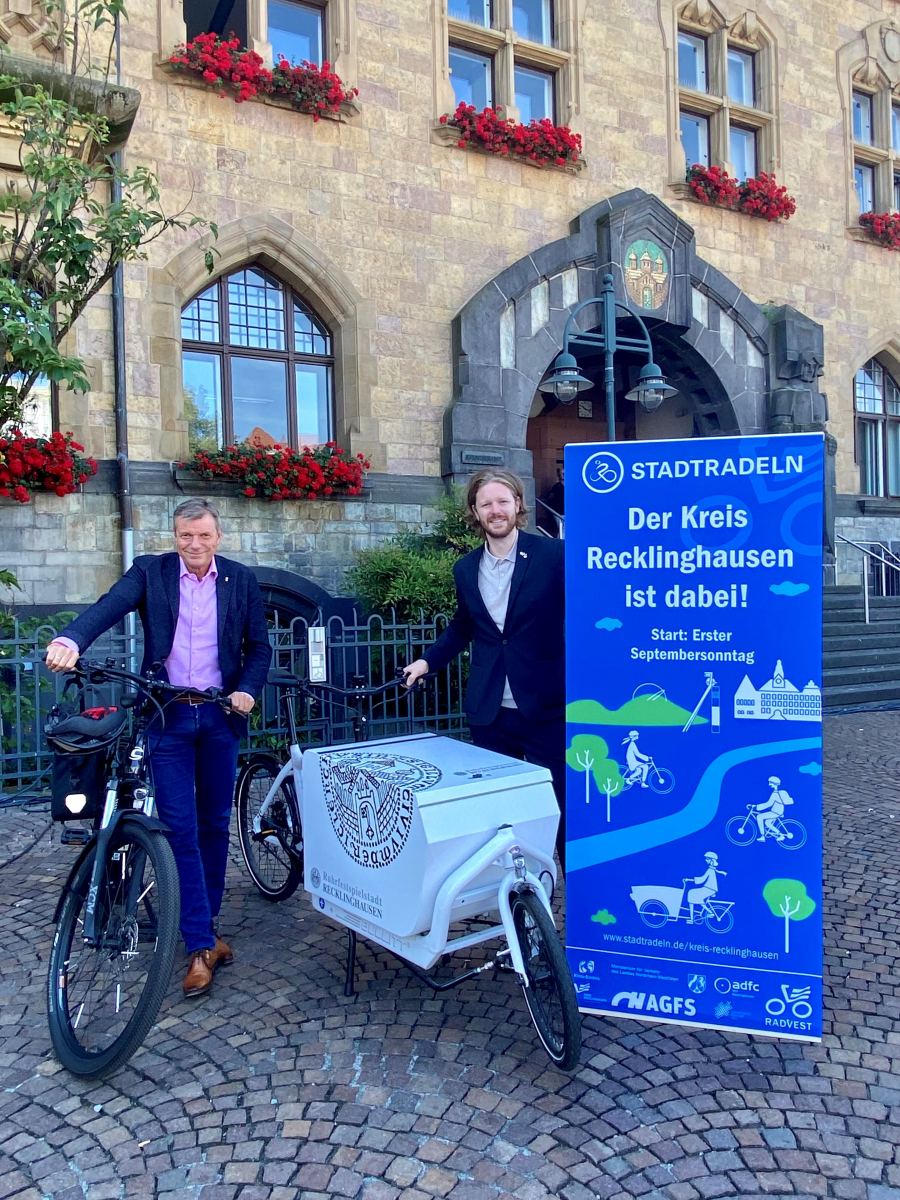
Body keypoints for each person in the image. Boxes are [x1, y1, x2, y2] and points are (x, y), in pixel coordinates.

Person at [45, 498, 272, 998]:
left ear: (218, 536)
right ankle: (197, 944)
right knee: (179, 828)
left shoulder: (240, 580)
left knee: (214, 825)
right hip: (167, 714)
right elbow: (107, 606)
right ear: (174, 536)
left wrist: (248, 690)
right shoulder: (151, 572)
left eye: (204, 536)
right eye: (185, 536)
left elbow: (259, 647)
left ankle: (205, 926)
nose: (194, 545)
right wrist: (72, 639)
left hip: (219, 714)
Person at [402, 468, 566, 867]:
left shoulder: (553, 555)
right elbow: (464, 625)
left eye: (503, 502)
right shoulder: (465, 568)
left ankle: (577, 901)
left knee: (563, 808)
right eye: (486, 503)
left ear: (518, 506)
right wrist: (426, 661)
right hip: (489, 711)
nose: (496, 510)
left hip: (546, 707)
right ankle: (517, 893)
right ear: (475, 511)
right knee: (502, 814)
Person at [686, 851, 726, 923]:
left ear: (711, 860)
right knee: (695, 896)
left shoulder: (710, 870)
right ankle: (693, 918)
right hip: (709, 888)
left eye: (707, 859)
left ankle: (694, 919)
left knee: (691, 893)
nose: (705, 860)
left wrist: (689, 880)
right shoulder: (711, 869)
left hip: (709, 889)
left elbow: (702, 879)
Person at [754, 775, 794, 842]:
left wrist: (756, 807)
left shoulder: (775, 794)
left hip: (775, 812)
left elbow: (768, 804)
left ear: (774, 783)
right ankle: (780, 835)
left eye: (770, 783)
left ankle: (762, 836)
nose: (769, 784)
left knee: (759, 817)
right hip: (778, 811)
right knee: (767, 823)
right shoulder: (778, 792)